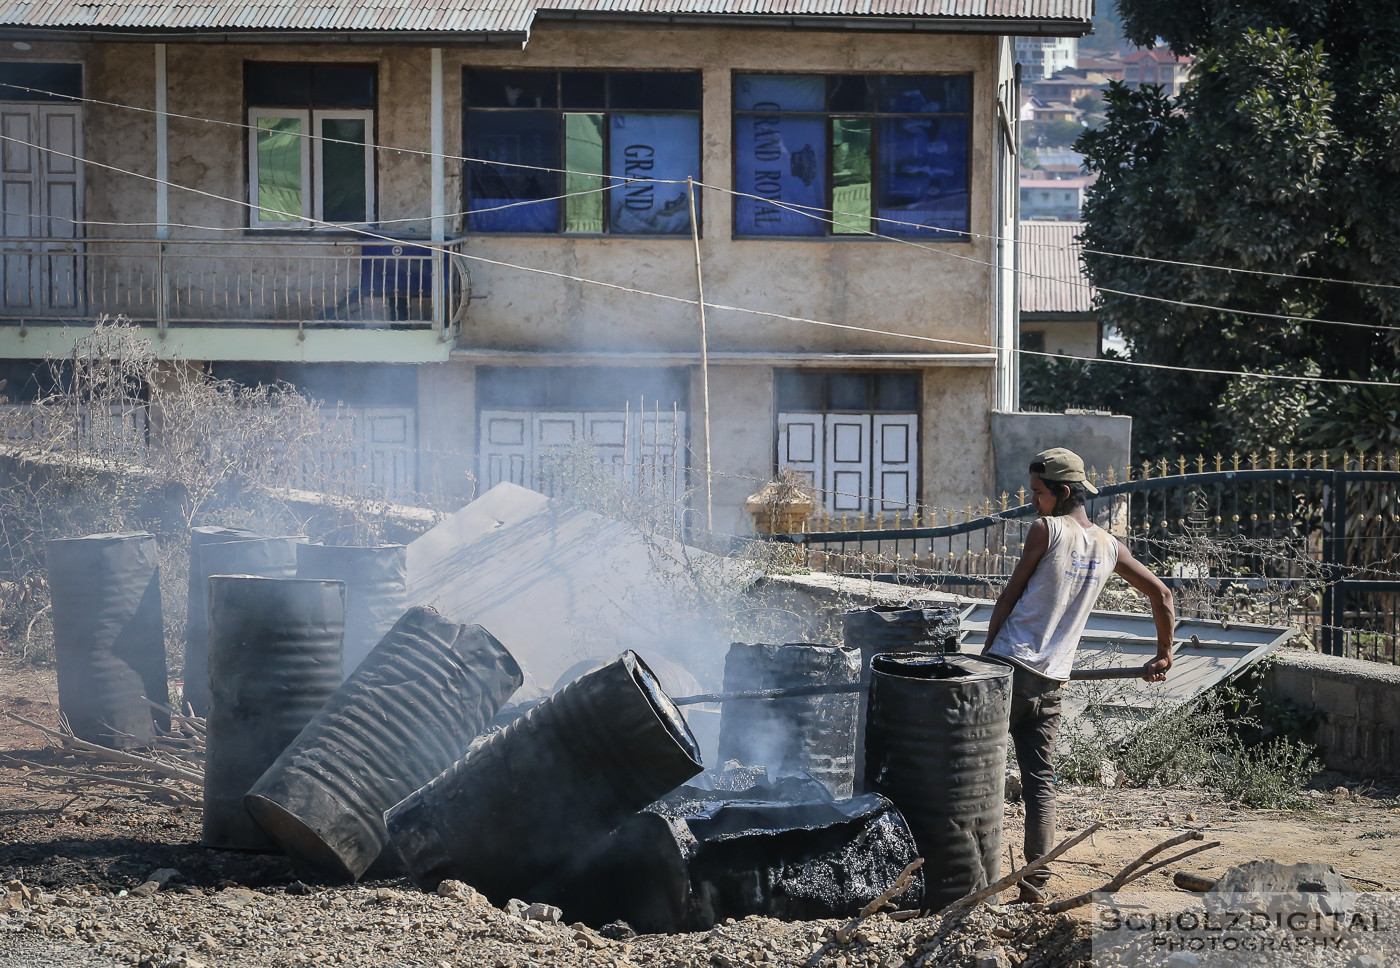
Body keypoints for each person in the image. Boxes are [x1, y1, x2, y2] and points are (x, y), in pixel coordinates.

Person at [982, 447, 1175, 903]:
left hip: (1011, 666)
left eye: (1038, 492)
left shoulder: (1045, 529)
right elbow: (1163, 595)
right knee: (1039, 781)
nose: (1033, 501)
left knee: (979, 772)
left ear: (1062, 492)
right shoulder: (1110, 545)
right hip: (1052, 680)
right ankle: (1036, 885)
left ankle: (975, 880)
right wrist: (1163, 654)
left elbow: (1010, 595)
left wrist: (987, 655)